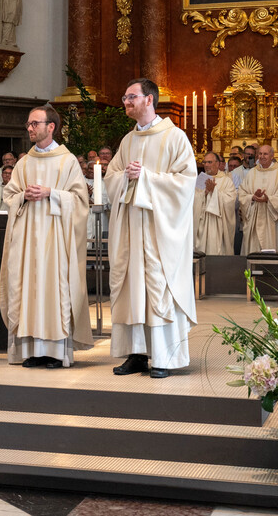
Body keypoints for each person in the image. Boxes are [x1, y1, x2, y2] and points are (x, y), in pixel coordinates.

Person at [106, 78, 197, 379]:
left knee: (157, 286)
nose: (126, 102)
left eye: (131, 96)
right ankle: (137, 354)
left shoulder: (175, 137)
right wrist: (126, 179)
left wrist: (146, 178)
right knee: (133, 288)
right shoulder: (127, 141)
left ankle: (164, 356)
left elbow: (185, 184)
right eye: (125, 96)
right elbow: (112, 177)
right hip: (132, 228)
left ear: (149, 100)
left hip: (160, 232)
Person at [0, 105, 94, 368]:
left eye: (35, 124)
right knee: (27, 290)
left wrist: (51, 193)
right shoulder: (24, 163)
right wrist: (23, 196)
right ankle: (32, 350)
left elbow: (80, 201)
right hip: (28, 241)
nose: (30, 128)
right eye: (28, 124)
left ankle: (54, 352)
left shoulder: (68, 161)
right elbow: (9, 196)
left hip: (56, 241)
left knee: (54, 291)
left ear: (51, 127)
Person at [238, 145, 278, 255]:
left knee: (273, 249)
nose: (262, 156)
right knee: (254, 252)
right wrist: (252, 197)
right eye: (260, 154)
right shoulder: (252, 173)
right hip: (254, 218)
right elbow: (242, 192)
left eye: (265, 154)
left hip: (273, 220)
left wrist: (268, 199)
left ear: (272, 155)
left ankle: (274, 272)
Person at [193, 152, 236, 256]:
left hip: (219, 225)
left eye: (209, 162)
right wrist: (206, 193)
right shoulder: (199, 180)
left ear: (217, 164)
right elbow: (192, 201)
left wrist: (214, 192)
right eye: (205, 162)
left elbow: (230, 201)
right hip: (202, 224)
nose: (206, 165)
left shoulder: (226, 181)